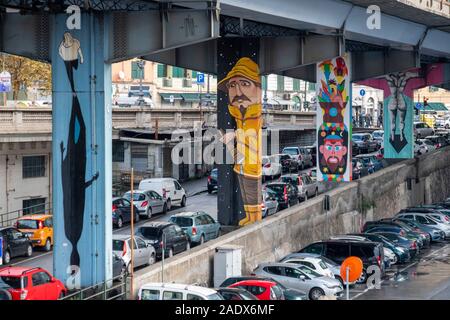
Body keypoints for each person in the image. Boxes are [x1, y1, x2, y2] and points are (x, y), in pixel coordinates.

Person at [217, 57, 263, 226]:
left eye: (244, 84)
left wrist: (234, 135)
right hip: (242, 162)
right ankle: (250, 217)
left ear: (258, 89)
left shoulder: (254, 114)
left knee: (252, 191)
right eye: (231, 85)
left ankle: (254, 217)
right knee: (245, 191)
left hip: (251, 164)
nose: (237, 91)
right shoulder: (239, 114)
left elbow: (252, 135)